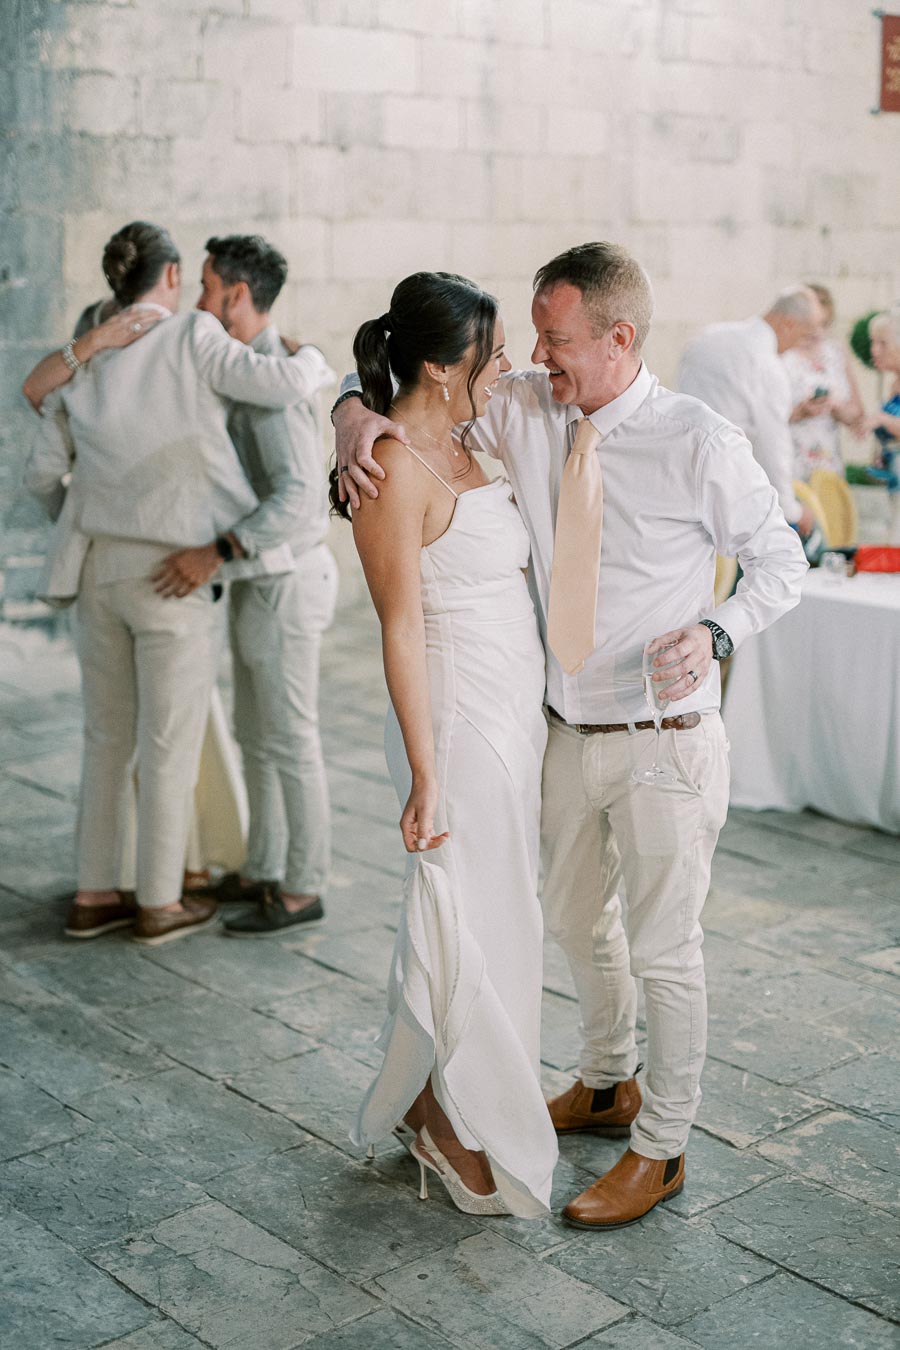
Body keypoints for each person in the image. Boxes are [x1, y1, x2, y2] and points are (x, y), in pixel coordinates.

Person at [335, 242, 808, 1229]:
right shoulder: (525, 410)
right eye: (528, 343)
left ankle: (661, 1147)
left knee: (665, 949)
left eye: (552, 343)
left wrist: (719, 628)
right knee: (577, 926)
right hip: (556, 730)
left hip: (664, 735)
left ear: (617, 337)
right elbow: (414, 381)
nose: (531, 362)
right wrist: (348, 410)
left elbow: (781, 560)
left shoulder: (699, 440)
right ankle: (605, 1080)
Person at [24, 221, 333, 946]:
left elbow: (40, 457)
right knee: (169, 744)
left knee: (106, 739)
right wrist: (319, 358)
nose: (197, 293)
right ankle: (161, 902)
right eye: (189, 281)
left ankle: (96, 896)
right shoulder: (193, 338)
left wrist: (77, 518)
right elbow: (286, 381)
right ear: (168, 279)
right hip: (171, 569)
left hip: (97, 563)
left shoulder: (89, 352)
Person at [336, 271, 558, 1218]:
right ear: (438, 364)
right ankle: (453, 1116)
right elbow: (399, 630)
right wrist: (425, 772)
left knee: (504, 909)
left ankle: (436, 1096)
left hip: (514, 711)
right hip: (454, 722)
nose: (505, 367)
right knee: (472, 913)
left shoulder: (478, 428)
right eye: (490, 354)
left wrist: (344, 404)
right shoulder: (389, 471)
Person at [178, 233, 338, 936]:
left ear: (238, 296)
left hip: (286, 580)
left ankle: (303, 885)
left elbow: (300, 499)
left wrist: (218, 549)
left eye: (208, 286)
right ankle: (264, 866)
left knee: (291, 737)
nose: (199, 299)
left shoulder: (272, 379)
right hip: (260, 580)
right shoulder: (256, 368)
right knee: (256, 733)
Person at [677, 285, 826, 534]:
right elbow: (773, 445)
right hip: (732, 492)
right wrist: (791, 511)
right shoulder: (766, 365)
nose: (797, 347)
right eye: (803, 336)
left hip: (684, 479)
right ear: (788, 324)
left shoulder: (708, 337)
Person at [782, 282, 863, 480]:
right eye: (811, 323)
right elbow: (760, 419)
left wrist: (838, 409)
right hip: (789, 461)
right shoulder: (782, 354)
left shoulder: (836, 354)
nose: (816, 331)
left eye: (824, 324)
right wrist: (799, 412)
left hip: (827, 462)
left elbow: (857, 413)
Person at [853, 307, 900, 544]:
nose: (874, 350)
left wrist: (882, 420)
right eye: (873, 342)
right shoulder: (894, 383)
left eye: (882, 343)